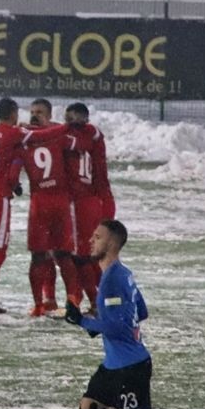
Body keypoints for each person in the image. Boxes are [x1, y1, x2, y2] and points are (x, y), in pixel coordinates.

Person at [64, 220, 182, 409]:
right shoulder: (121, 275)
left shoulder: (114, 278)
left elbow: (116, 326)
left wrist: (83, 321)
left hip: (131, 370)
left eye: (97, 236)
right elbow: (140, 311)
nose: (91, 240)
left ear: (112, 244)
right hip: (112, 367)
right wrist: (102, 315)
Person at [0, 97, 69, 315]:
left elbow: (13, 165)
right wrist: (66, 127)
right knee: (1, 253)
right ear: (14, 113)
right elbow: (43, 136)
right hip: (0, 201)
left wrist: (14, 184)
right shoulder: (16, 134)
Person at [23, 99, 82, 317]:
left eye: (39, 112)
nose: (34, 115)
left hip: (58, 202)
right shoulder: (30, 136)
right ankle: (42, 302)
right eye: (32, 112)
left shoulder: (55, 134)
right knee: (39, 256)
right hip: (40, 203)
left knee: (63, 254)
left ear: (48, 115)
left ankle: (72, 300)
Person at [64, 102, 115, 312]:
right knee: (94, 256)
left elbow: (68, 140)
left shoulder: (79, 138)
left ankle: (97, 300)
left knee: (81, 256)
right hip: (100, 200)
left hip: (86, 204)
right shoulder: (93, 135)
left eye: (70, 120)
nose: (67, 124)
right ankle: (105, 299)